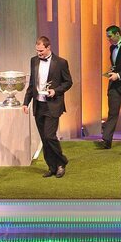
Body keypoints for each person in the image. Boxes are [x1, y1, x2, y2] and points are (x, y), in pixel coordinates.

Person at [22, 36, 73, 177]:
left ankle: (61, 162)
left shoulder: (61, 62)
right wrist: (26, 102)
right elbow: (32, 84)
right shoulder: (33, 61)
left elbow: (68, 82)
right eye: (37, 51)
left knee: (50, 136)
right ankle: (52, 167)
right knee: (44, 138)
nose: (39, 53)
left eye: (41, 51)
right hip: (39, 105)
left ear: (49, 47)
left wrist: (55, 91)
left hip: (53, 105)